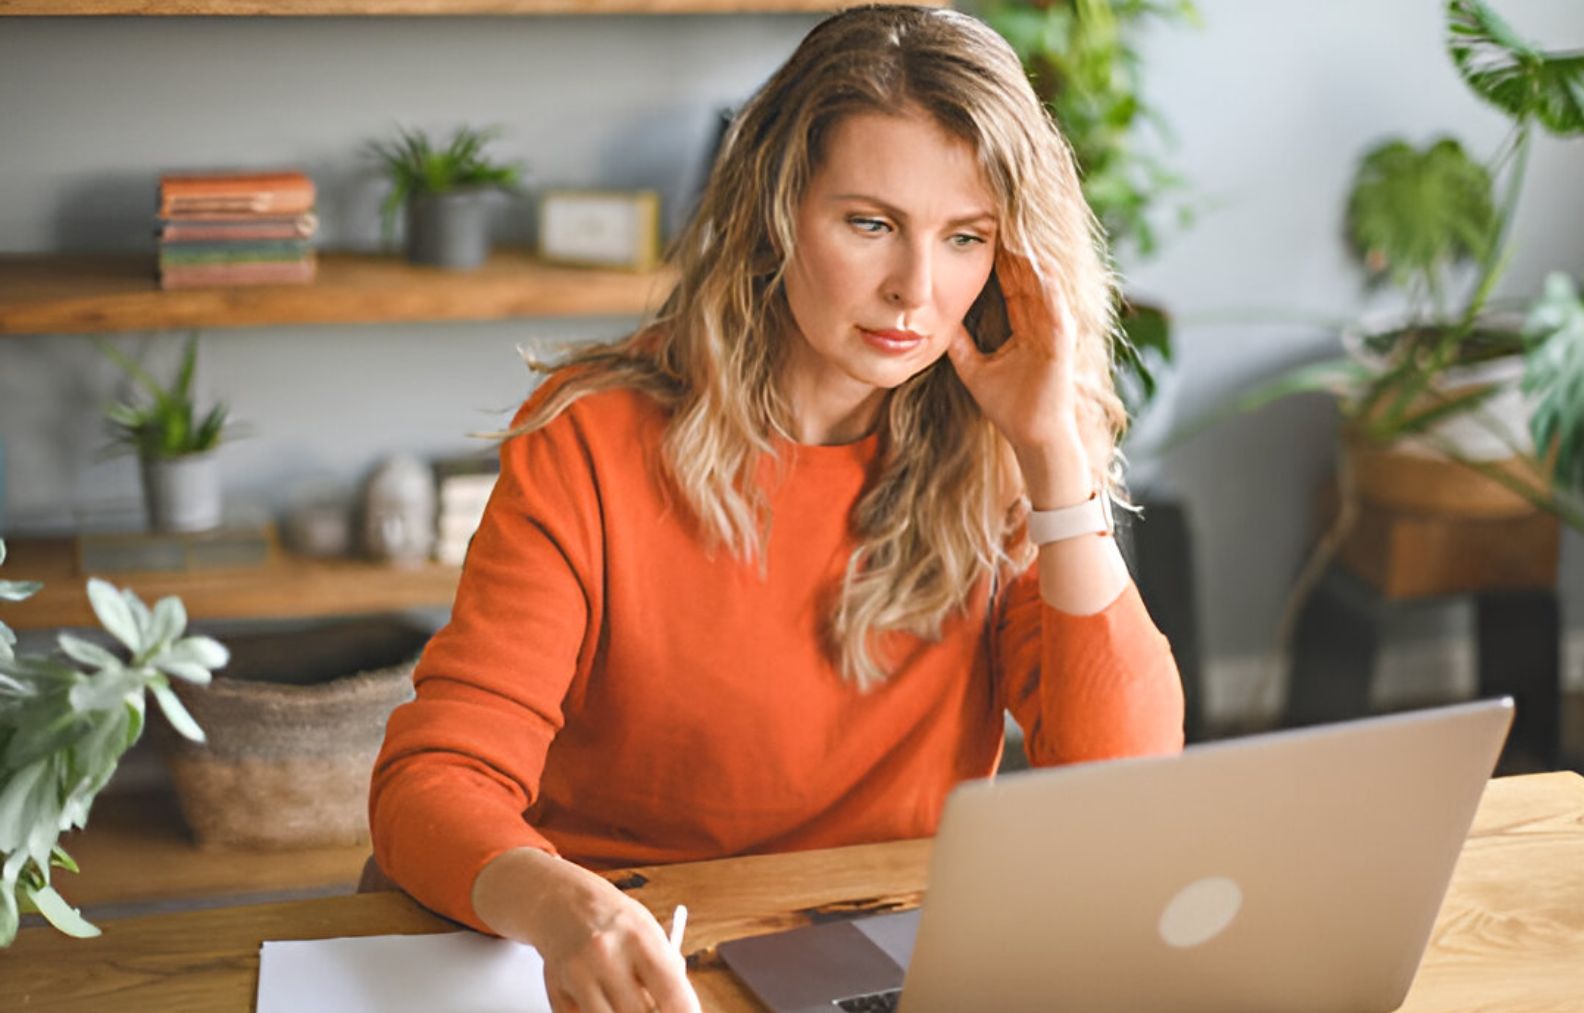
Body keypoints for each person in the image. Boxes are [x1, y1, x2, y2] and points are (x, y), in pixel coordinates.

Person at [368, 5, 1184, 1011]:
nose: (914, 291)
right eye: (870, 223)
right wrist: (562, 908)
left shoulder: (999, 452)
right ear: (775, 209)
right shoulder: (591, 440)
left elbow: (1123, 792)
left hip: (874, 957)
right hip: (622, 958)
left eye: (965, 237)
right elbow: (435, 776)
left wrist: (1058, 460)